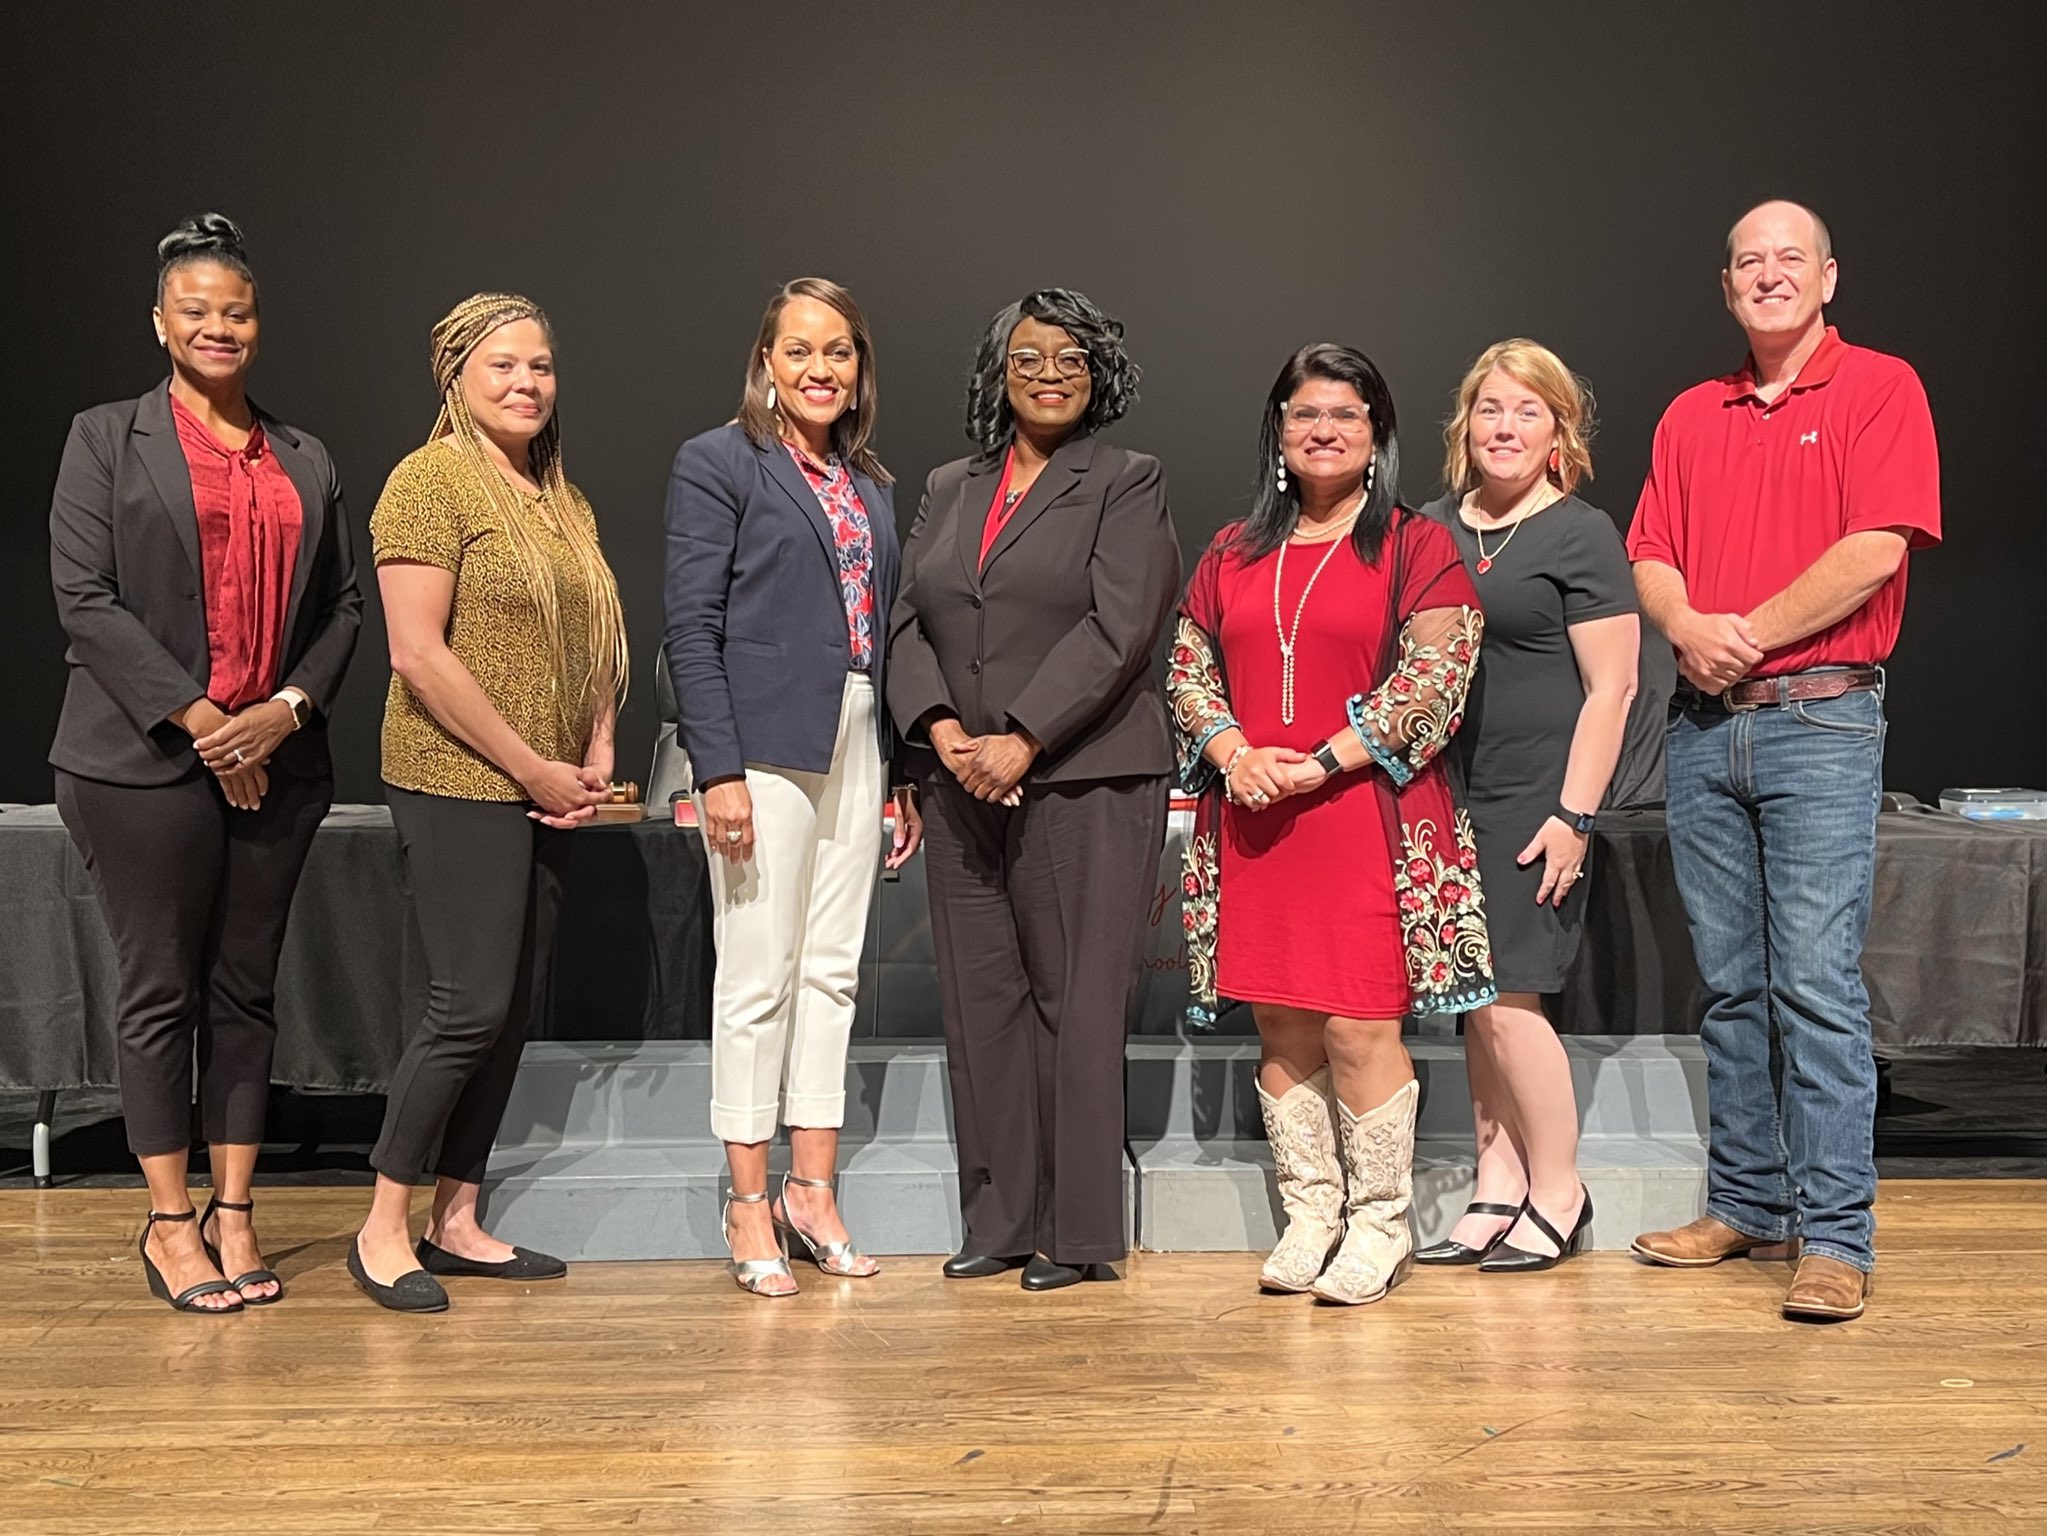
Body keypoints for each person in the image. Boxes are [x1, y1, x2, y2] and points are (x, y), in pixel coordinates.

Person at [1627, 200, 1941, 1323]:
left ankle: (1835, 1235)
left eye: (1788, 259)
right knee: (1732, 986)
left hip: (1818, 721)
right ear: (1726, 288)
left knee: (1813, 985)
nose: (1768, 275)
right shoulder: (1687, 414)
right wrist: (1687, 629)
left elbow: (1875, 548)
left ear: (1827, 278)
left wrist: (1737, 631)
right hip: (1704, 726)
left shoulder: (1879, 388)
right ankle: (1747, 1202)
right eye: (1748, 262)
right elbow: (1651, 553)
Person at [49, 212, 362, 1312]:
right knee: (160, 993)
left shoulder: (305, 456)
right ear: (160, 323)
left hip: (278, 759)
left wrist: (279, 711)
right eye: (197, 312)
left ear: (256, 326)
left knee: (246, 991)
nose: (218, 327)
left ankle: (236, 1213)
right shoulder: (105, 438)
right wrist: (199, 720)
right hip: (139, 765)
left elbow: (343, 610)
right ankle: (168, 1222)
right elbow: (84, 601)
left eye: (235, 312)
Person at [1169, 343, 1492, 1305]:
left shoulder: (1414, 545)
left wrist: (1315, 762)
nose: (1323, 431)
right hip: (1257, 819)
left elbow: (1439, 672)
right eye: (1304, 414)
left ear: (1376, 435)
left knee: (1358, 1026)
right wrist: (1233, 754)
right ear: (1277, 431)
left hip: (1365, 816)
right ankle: (1310, 1212)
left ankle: (1379, 1223)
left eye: (1345, 415)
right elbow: (1187, 666)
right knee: (1281, 1024)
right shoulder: (1230, 549)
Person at [887, 288, 1179, 1292]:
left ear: (1099, 376)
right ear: (996, 373)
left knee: (1077, 1005)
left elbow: (1122, 625)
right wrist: (942, 733)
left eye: (1071, 358)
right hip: (958, 774)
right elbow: (904, 621)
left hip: (1087, 775)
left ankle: (1080, 1232)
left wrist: (1022, 738)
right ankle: (1000, 1220)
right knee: (982, 1006)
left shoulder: (1125, 481)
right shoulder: (947, 484)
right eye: (1027, 357)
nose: (1048, 374)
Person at [350, 292, 629, 1313]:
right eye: (503, 366)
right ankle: (383, 1226)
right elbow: (418, 653)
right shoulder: (428, 484)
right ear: (456, 376)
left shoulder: (563, 498)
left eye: (542, 366)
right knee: (464, 1005)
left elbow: (593, 631)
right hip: (457, 777)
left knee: (510, 1011)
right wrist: (529, 765)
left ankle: (456, 1216)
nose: (526, 384)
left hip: (550, 786)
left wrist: (594, 745)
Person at [665, 278, 920, 1299]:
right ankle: (747, 1201)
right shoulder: (718, 462)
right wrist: (715, 768)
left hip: (860, 732)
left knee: (832, 974)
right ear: (765, 361)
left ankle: (812, 1191)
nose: (821, 369)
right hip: (762, 746)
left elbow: (888, 632)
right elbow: (691, 625)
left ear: (860, 366)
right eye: (800, 349)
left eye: (841, 351)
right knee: (756, 975)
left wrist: (898, 769)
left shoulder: (871, 484)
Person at [1415, 341, 1639, 1272]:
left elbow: (1614, 688)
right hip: (1446, 792)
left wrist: (1572, 817)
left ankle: (1559, 1188)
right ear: (1464, 424)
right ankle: (1496, 1183)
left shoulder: (1578, 533)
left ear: (1558, 433)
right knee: (1474, 1000)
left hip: (1534, 799)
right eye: (1489, 409)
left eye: (1527, 412)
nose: (1504, 427)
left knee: (1511, 1001)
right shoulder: (1430, 524)